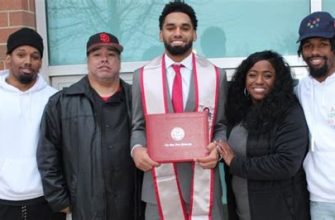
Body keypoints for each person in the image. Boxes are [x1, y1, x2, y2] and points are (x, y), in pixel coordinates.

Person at [131, 2, 227, 219]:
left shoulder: (215, 75)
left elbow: (220, 125)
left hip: (204, 187)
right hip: (158, 190)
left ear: (194, 33)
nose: (177, 33)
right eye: (170, 27)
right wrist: (136, 148)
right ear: (160, 33)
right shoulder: (142, 76)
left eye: (185, 28)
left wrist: (218, 150)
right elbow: (138, 125)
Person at [37, 32, 144, 220]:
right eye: (96, 54)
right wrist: (59, 199)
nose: (104, 59)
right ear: (87, 60)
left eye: (111, 54)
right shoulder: (62, 103)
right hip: (86, 206)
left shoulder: (137, 99)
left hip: (132, 204)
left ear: (119, 61)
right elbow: (48, 154)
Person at [217, 50, 310, 220]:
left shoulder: (289, 112)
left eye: (267, 75)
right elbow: (232, 149)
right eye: (252, 75)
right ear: (244, 80)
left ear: (277, 81)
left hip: (280, 211)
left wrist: (235, 163)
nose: (258, 81)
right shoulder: (239, 112)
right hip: (242, 210)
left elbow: (286, 163)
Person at [0, 28, 62, 219]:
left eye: (35, 56)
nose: (28, 61)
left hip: (45, 200)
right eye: (21, 54)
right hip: (3, 199)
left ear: (40, 62)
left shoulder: (54, 98)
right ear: (8, 57)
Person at [295, 11, 335, 219]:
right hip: (319, 198)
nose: (314, 52)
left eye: (323, 44)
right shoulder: (300, 89)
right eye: (308, 46)